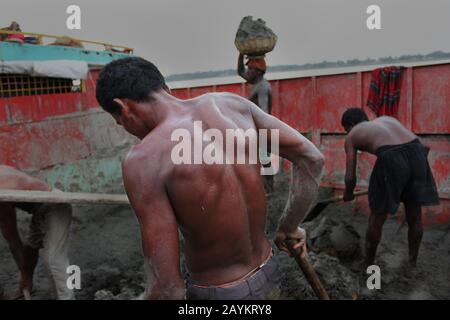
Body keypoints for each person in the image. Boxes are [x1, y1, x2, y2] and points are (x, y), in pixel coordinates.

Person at [96, 57, 324, 300]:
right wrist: (289, 227)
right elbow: (311, 158)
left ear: (124, 107)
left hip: (220, 294)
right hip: (268, 274)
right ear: (165, 89)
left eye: (120, 122)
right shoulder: (232, 105)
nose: (126, 128)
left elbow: (167, 288)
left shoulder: (143, 161)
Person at [341, 108, 440, 269]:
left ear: (351, 124)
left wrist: (348, 193)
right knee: (415, 218)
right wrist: (410, 172)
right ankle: (412, 264)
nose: (347, 133)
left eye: (346, 129)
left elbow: (350, 177)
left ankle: (368, 264)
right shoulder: (387, 119)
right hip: (418, 153)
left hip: (390, 157)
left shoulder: (352, 136)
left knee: (377, 217)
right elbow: (425, 146)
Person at [0, 165, 73, 300]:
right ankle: (31, 287)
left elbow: (13, 240)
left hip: (55, 203)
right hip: (40, 211)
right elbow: (13, 240)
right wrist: (25, 276)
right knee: (30, 249)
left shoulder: (3, 181)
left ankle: (67, 297)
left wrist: (25, 273)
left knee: (54, 259)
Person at [238, 53, 274, 194]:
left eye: (250, 70)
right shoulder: (258, 84)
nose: (247, 73)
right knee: (262, 160)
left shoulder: (263, 87)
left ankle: (269, 190)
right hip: (257, 129)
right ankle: (266, 189)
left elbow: (264, 112)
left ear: (258, 71)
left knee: (264, 159)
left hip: (262, 129)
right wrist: (241, 55)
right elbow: (240, 72)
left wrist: (259, 132)